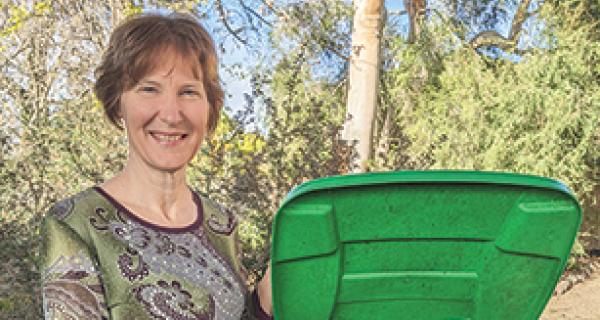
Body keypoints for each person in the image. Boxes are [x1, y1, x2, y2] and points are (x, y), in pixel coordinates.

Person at [39, 12, 272, 320]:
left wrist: (270, 295)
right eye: (149, 89)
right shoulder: (74, 225)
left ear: (209, 107)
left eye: (188, 92)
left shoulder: (221, 224)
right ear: (118, 103)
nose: (172, 114)